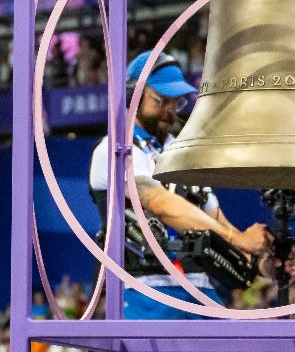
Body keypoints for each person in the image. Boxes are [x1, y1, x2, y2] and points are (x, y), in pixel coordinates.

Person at [88, 51, 273, 319]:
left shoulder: (181, 154)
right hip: (141, 292)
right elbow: (160, 203)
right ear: (132, 95)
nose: (170, 110)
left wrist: (260, 260)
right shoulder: (114, 150)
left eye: (176, 102)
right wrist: (237, 238)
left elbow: (217, 221)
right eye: (161, 100)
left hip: (199, 291)